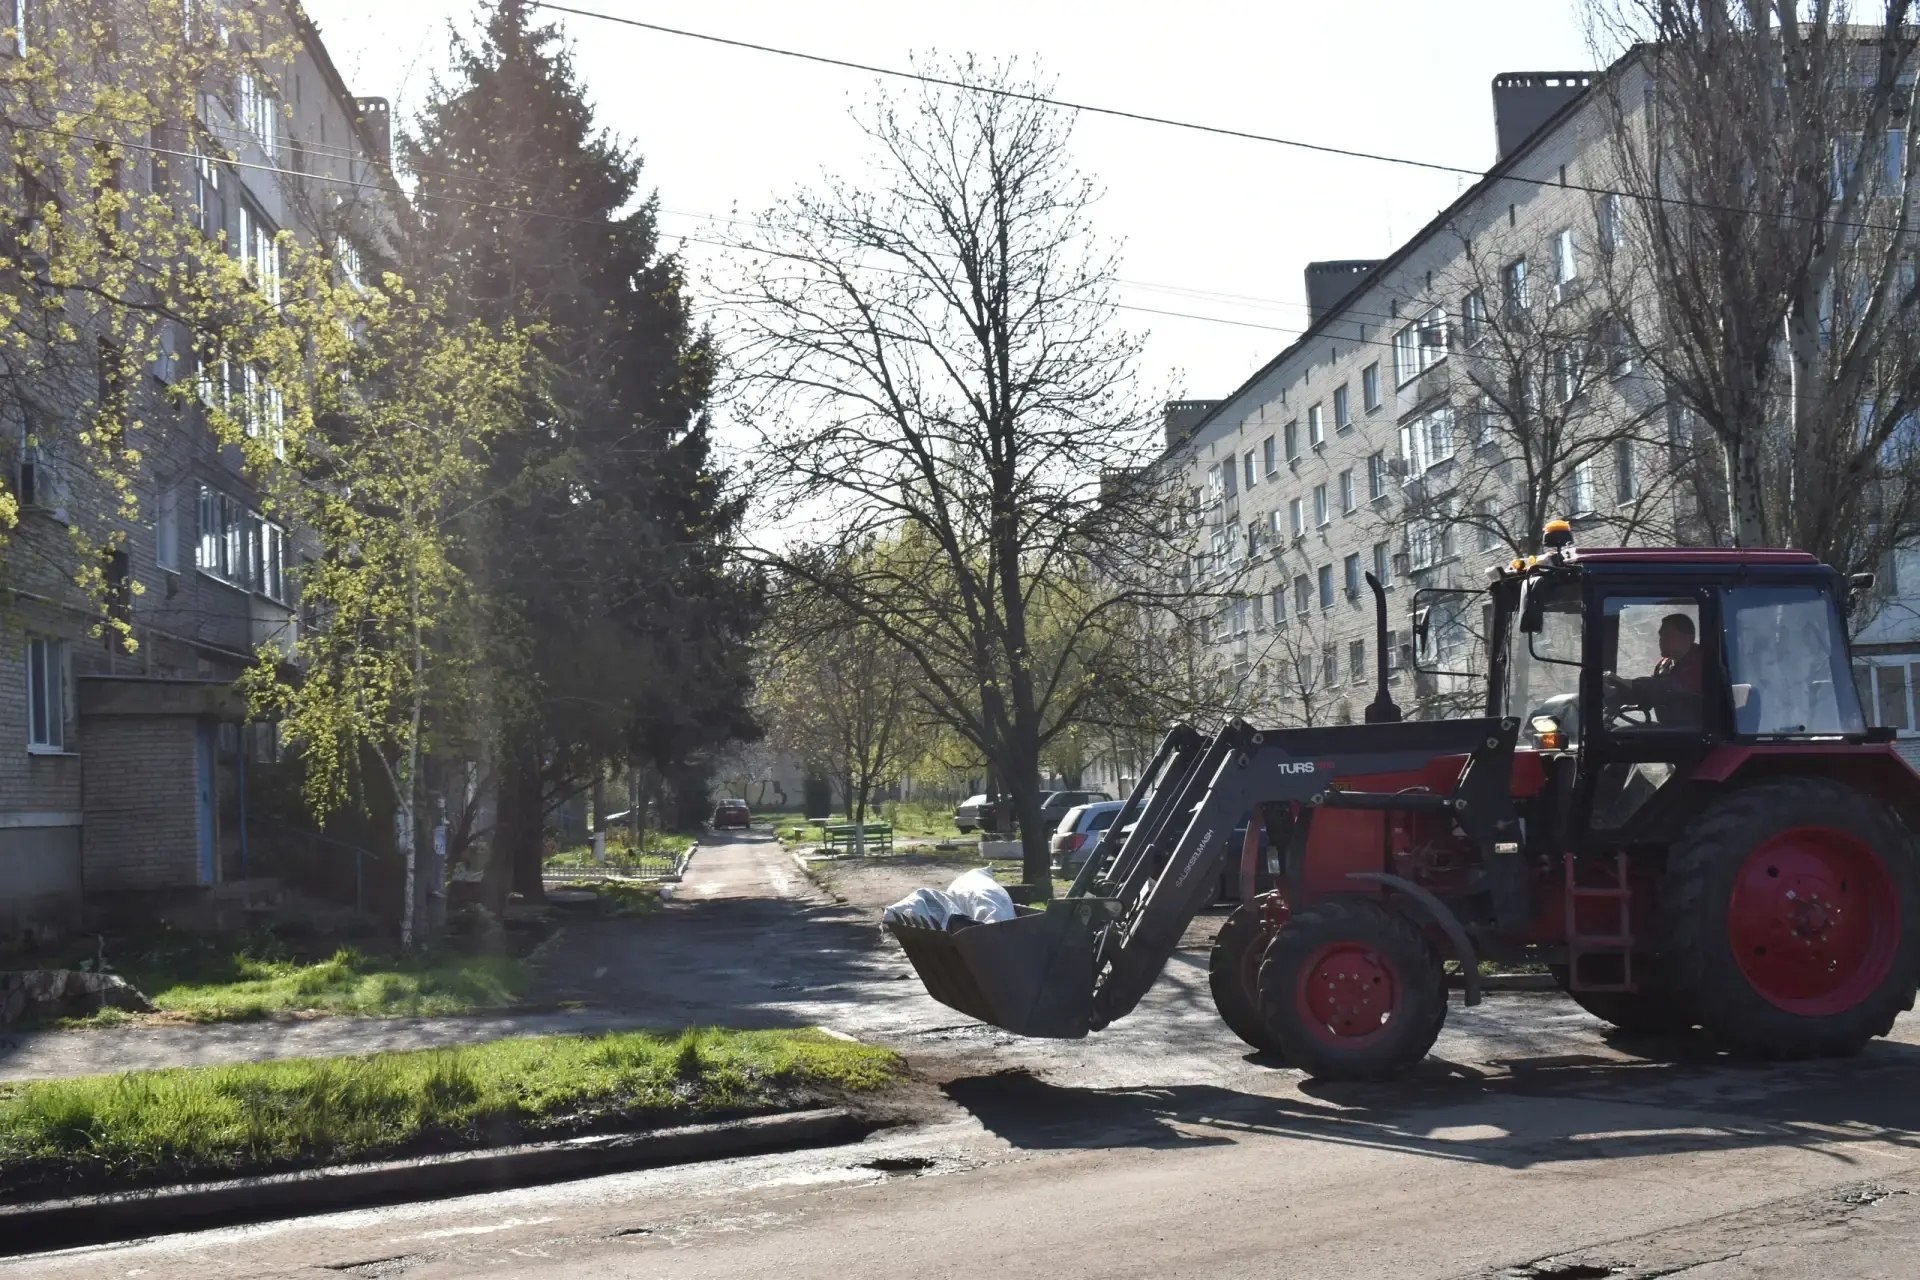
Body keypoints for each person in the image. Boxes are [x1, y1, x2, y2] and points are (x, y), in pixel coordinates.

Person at [1605, 613, 1702, 726]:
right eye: (1661, 635)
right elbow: (1649, 694)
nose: (1661, 640)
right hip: (1670, 728)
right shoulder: (1664, 664)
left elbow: (1665, 688)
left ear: (1688, 637)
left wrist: (1624, 687)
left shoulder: (1702, 663)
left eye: (1668, 635)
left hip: (1693, 731)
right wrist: (1616, 688)